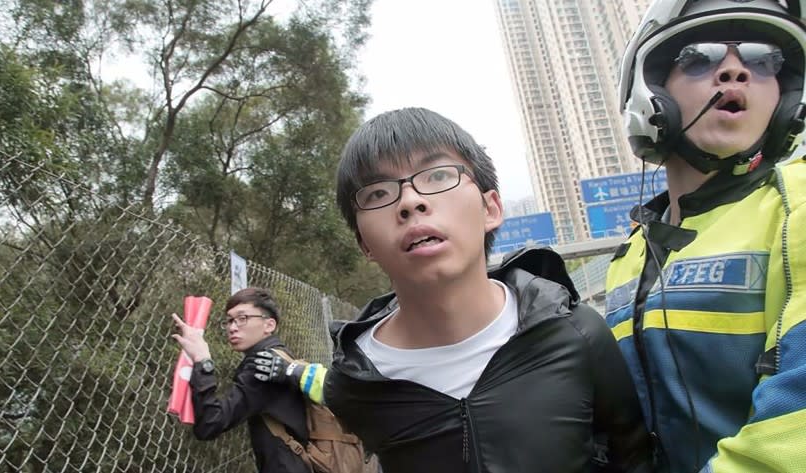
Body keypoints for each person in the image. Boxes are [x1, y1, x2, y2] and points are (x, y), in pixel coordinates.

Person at [255, 107, 653, 472]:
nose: (410, 202)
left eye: (438, 176)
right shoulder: (358, 380)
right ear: (365, 244)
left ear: (491, 208)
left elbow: (633, 456)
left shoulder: (576, 334)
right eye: (378, 193)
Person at [606, 0, 806, 472]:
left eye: (764, 60)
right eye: (699, 57)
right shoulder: (630, 255)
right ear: (650, 94)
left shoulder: (797, 206)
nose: (735, 72)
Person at [171, 287, 310, 473]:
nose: (232, 327)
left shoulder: (263, 366)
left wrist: (203, 361)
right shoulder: (281, 357)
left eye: (242, 318)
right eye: (229, 321)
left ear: (269, 325)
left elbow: (210, 424)